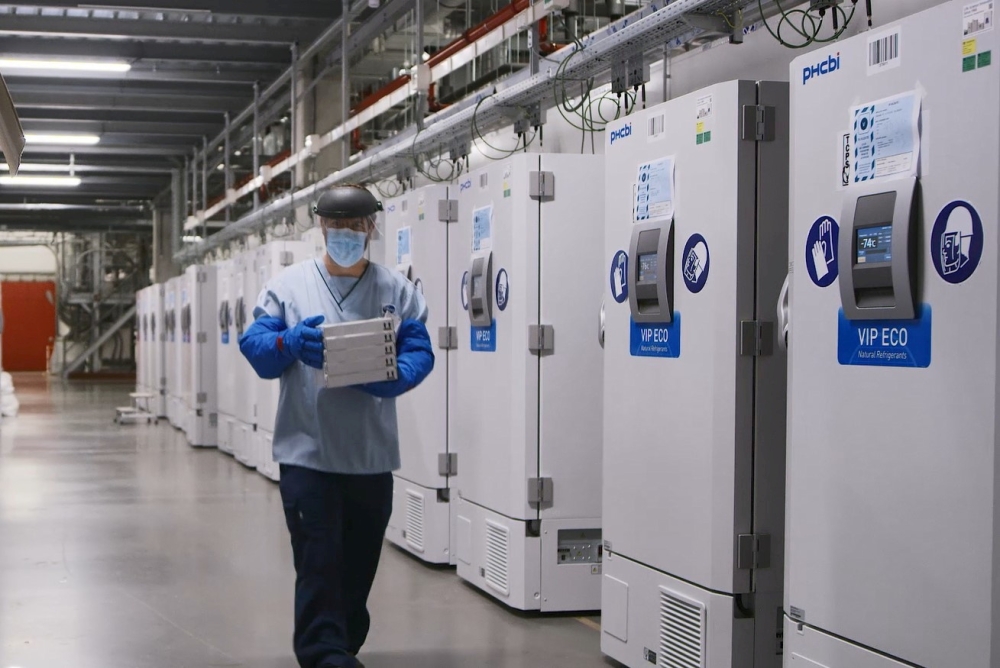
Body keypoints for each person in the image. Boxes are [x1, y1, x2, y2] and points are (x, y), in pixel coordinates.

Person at [238, 185, 434, 668]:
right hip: (308, 453)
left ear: (371, 229)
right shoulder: (288, 287)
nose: (345, 235)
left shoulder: (397, 291)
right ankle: (323, 653)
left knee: (359, 562)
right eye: (335, 227)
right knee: (319, 560)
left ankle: (342, 643)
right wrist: (287, 343)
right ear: (320, 228)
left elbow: (418, 350)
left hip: (370, 457)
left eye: (355, 227)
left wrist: (401, 375)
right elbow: (255, 347)